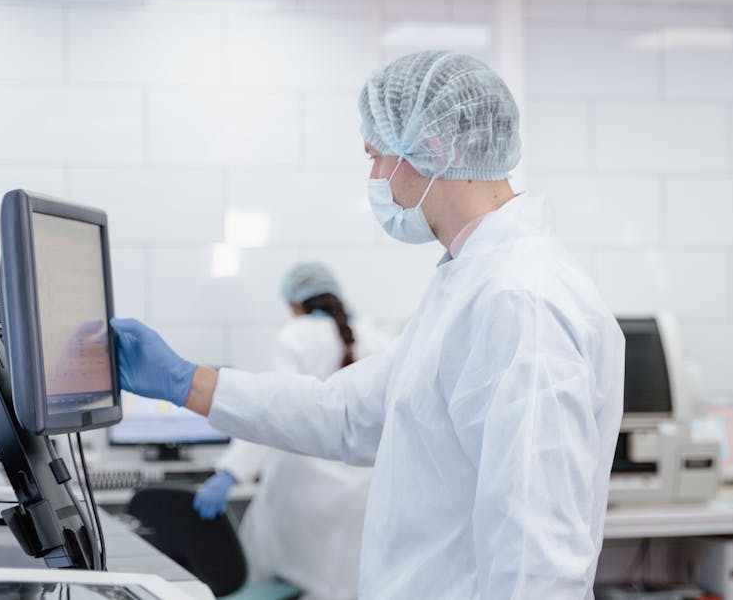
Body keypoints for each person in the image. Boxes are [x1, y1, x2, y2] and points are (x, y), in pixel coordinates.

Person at [111, 50, 625, 598]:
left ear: (435, 148)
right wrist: (186, 381)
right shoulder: (470, 283)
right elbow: (348, 413)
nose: (375, 178)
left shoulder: (519, 301)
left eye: (376, 157)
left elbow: (536, 553)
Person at [192, 262, 391, 600]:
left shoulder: (295, 336)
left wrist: (229, 472)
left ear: (295, 304)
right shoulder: (374, 338)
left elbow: (276, 411)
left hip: (301, 492)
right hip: (361, 491)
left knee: (293, 586)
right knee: (348, 585)